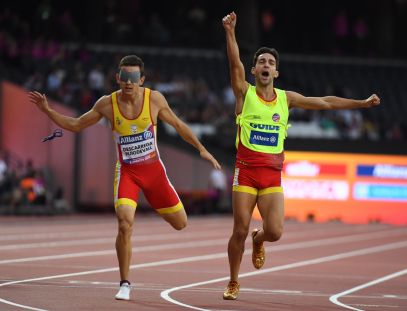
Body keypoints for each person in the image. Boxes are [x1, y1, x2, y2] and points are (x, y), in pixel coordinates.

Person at [29, 55, 221, 301]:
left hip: (154, 172)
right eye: (124, 77)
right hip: (127, 172)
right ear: (118, 78)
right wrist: (47, 110)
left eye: (134, 78)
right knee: (124, 225)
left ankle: (159, 208)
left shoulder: (155, 100)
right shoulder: (106, 104)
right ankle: (125, 283)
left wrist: (201, 149)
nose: (128, 82)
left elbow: (179, 125)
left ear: (141, 80)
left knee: (180, 223)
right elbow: (76, 124)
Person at [221, 12, 380, 300]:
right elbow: (234, 64)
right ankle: (233, 281)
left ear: (276, 72)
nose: (265, 65)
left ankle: (260, 241)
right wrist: (230, 32)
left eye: (271, 63)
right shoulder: (244, 93)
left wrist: (361, 103)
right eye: (261, 62)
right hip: (245, 170)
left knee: (276, 231)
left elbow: (325, 102)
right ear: (255, 70)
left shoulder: (286, 98)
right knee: (239, 229)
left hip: (271, 175)